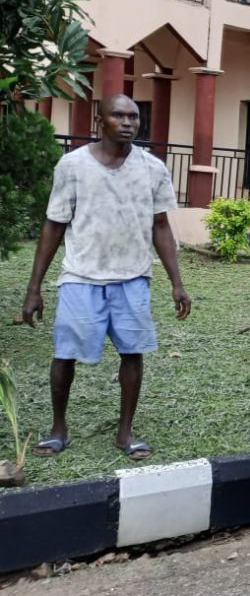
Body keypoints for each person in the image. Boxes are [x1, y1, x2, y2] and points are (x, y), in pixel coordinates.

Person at [21, 94, 191, 460]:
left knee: (133, 353)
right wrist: (34, 288)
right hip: (81, 276)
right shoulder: (72, 166)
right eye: (119, 115)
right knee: (64, 354)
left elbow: (160, 225)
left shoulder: (152, 168)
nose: (128, 122)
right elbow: (53, 225)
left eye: (134, 116)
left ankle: (125, 432)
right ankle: (58, 429)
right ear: (101, 121)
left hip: (132, 277)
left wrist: (177, 282)